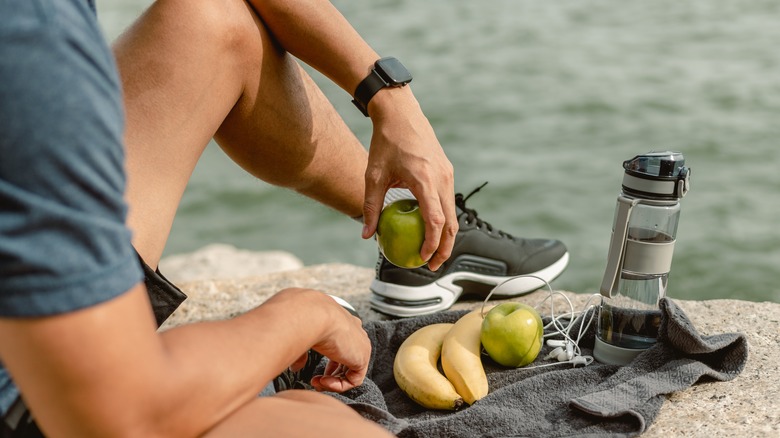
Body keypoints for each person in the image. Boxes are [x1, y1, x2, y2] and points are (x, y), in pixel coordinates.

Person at [1, 0, 456, 436]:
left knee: (214, 20)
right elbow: (129, 415)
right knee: (328, 422)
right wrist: (304, 315)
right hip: (34, 396)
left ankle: (408, 208)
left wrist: (389, 98)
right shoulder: (31, 45)